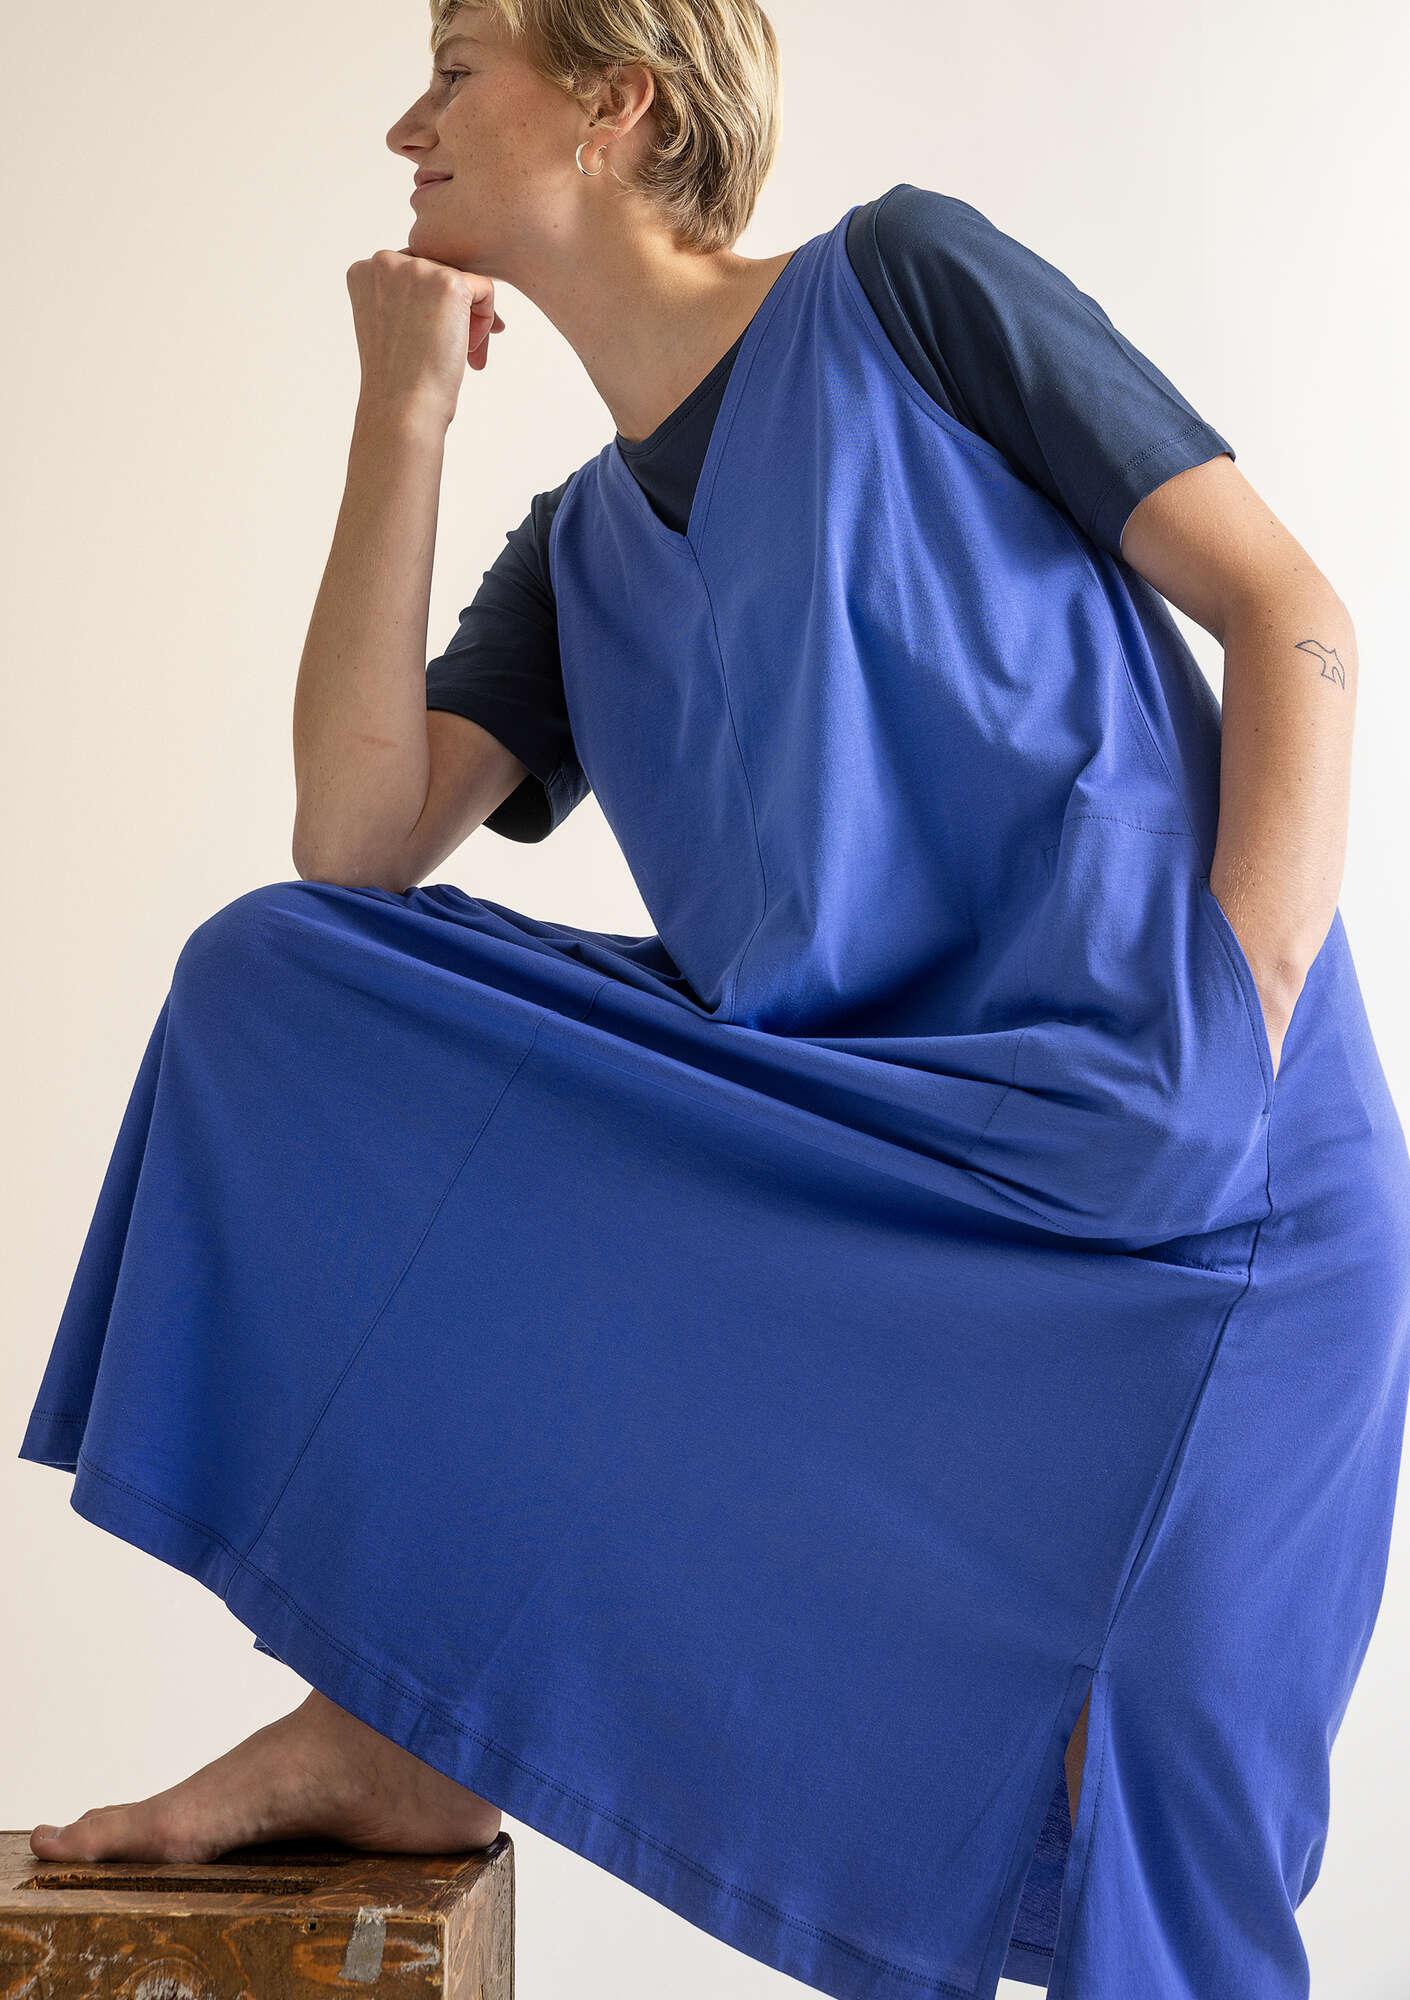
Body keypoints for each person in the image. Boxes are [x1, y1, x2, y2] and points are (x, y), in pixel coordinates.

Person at [18, 3, 1410, 1997]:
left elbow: (1291, 612)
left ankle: (414, 1729)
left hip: (1201, 1180)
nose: (408, 121)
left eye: (459, 63)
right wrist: (402, 416)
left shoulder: (909, 285)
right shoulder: (580, 551)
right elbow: (353, 842)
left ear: (619, 98)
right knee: (280, 978)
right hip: (879, 1175)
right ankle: (401, 1720)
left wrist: (1238, 1034)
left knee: (1153, 1844)